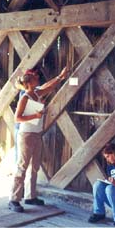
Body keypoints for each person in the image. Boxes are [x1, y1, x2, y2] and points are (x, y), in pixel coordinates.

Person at [8, 66, 68, 212]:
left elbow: (50, 86)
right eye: (35, 78)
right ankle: (13, 199)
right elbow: (17, 118)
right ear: (29, 82)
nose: (38, 79)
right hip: (26, 135)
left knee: (34, 167)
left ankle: (30, 196)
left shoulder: (36, 93)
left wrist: (60, 76)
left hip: (36, 134)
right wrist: (35, 116)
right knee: (22, 167)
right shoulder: (25, 97)